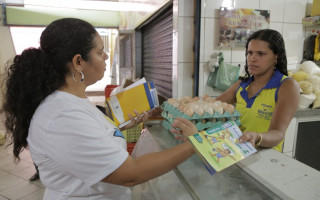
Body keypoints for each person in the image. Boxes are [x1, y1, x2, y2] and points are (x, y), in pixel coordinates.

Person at [2, 18, 197, 200]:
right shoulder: (62, 116)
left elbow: (84, 141)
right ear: (79, 62)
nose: (105, 56)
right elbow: (131, 174)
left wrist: (118, 128)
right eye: (99, 52)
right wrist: (194, 144)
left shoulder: (72, 101)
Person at [217, 29, 300, 151]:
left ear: (276, 56)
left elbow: (278, 133)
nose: (252, 59)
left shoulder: (287, 86)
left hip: (265, 158)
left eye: (261, 54)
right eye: (249, 53)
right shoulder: (241, 85)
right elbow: (212, 107)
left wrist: (257, 136)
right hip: (238, 153)